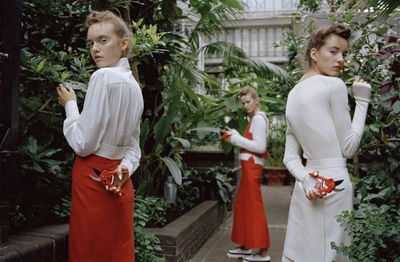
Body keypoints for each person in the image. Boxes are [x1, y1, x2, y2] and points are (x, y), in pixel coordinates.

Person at [57, 10, 143, 262]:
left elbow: (82, 144)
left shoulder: (102, 77)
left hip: (92, 177)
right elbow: (134, 147)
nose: (95, 49)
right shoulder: (134, 86)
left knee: (88, 251)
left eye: (103, 40)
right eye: (91, 43)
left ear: (123, 43)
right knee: (117, 251)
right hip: (119, 180)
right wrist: (124, 170)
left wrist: (70, 105)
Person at [282, 24, 371, 262]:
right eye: (333, 51)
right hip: (335, 184)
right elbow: (349, 148)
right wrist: (362, 100)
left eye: (343, 53)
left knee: (302, 255)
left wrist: (306, 178)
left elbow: (290, 157)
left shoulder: (292, 95)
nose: (341, 59)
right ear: (314, 53)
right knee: (333, 255)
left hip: (308, 186)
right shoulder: (335, 85)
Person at [223, 87, 271, 262]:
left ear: (256, 100)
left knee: (253, 208)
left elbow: (260, 147)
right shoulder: (255, 119)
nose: (245, 106)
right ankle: (245, 246)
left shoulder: (258, 119)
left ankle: (263, 250)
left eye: (248, 102)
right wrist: (235, 135)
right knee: (243, 207)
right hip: (249, 168)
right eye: (243, 103)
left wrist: (236, 139)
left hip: (252, 168)